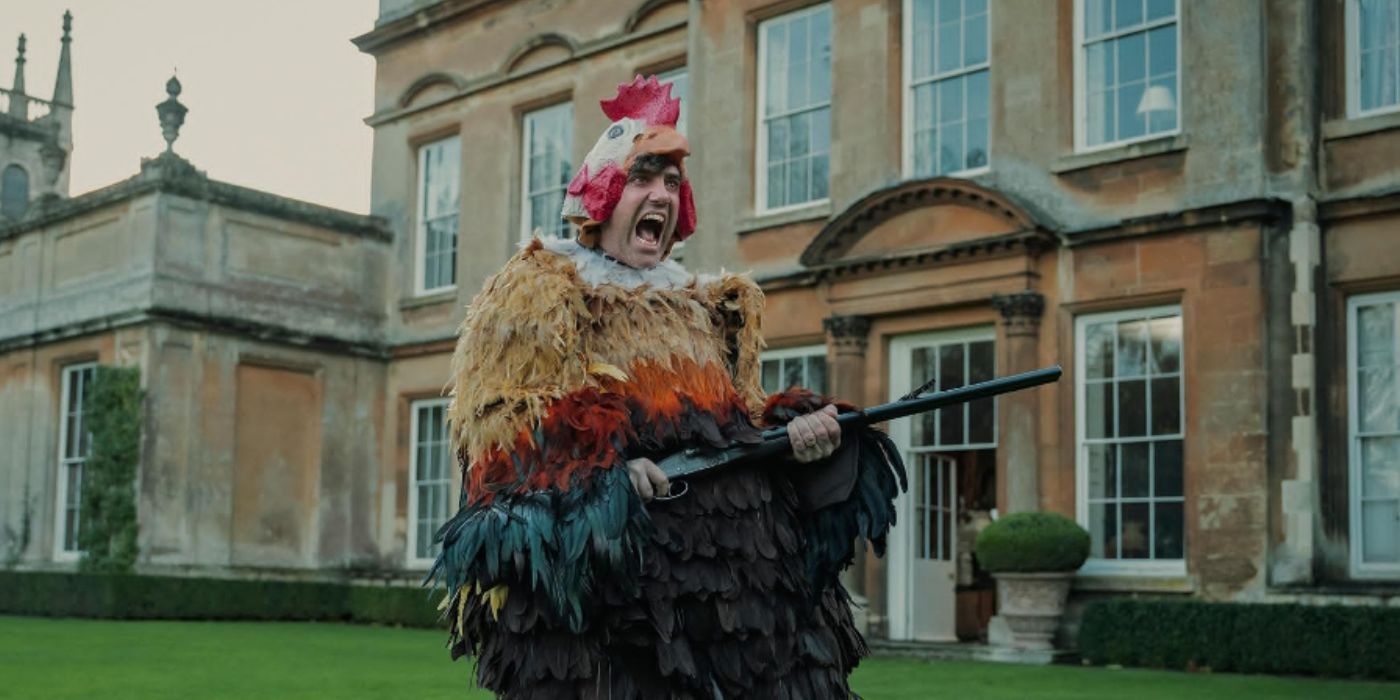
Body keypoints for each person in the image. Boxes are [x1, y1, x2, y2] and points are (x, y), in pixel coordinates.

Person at [432, 75, 905, 698]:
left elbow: (739, 426)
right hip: (623, 609)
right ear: (601, 194)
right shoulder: (539, 293)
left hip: (747, 600)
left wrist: (802, 439)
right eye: (643, 178)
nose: (661, 194)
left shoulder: (712, 307)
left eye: (672, 184)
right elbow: (503, 437)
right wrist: (601, 478)